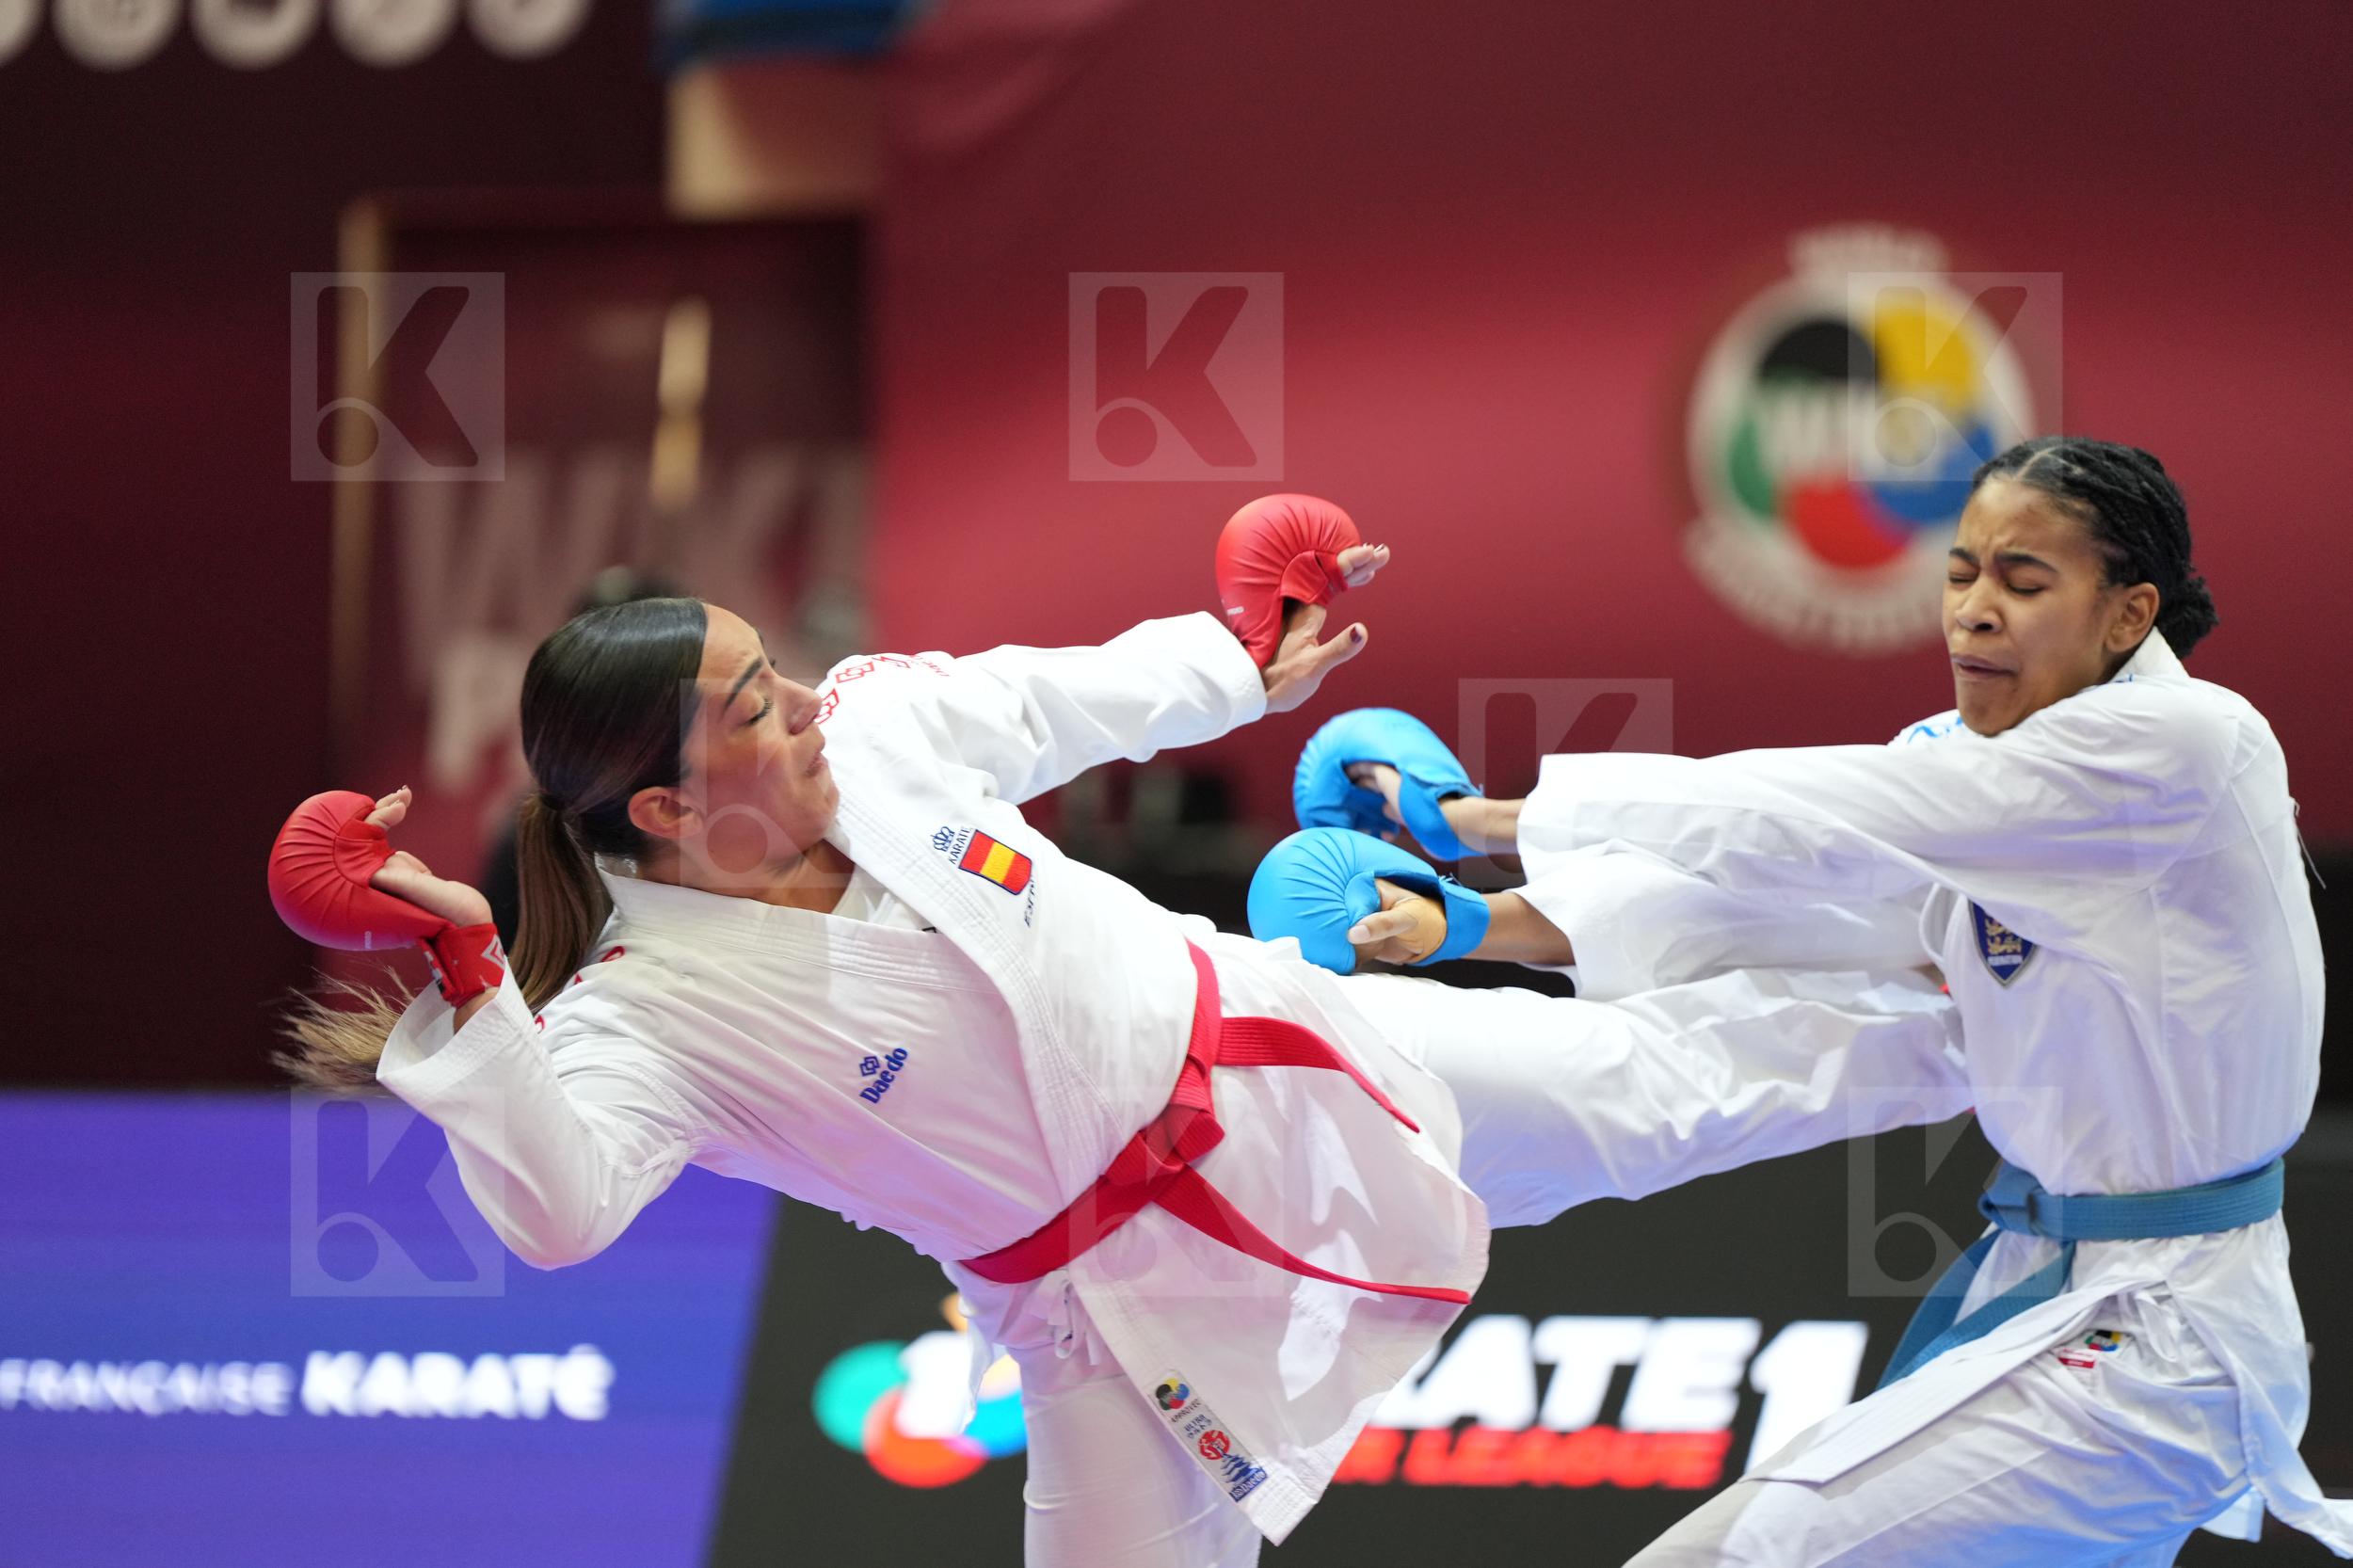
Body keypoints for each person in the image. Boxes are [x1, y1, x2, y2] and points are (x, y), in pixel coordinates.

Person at [277, 536, 1966, 1568]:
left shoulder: (874, 733)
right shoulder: (646, 1014)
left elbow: (1054, 701)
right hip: (1104, 1316)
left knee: (1658, 1096)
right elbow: (558, 1212)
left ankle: (1981, 1005)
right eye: (751, 708)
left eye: (771, 667)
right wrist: (467, 965)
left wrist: (1239, 650)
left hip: (1279, 1056)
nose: (799, 701)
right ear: (663, 809)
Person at [1310, 438, 2343, 1564]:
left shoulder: (2185, 748)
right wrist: (1470, 924)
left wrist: (1478, 822)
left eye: (2023, 581)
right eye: (1961, 573)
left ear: (2127, 613)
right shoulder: (1972, 765)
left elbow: (1800, 809)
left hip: (2156, 1342)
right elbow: (1784, 890)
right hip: (2061, 1296)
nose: (1974, 613)